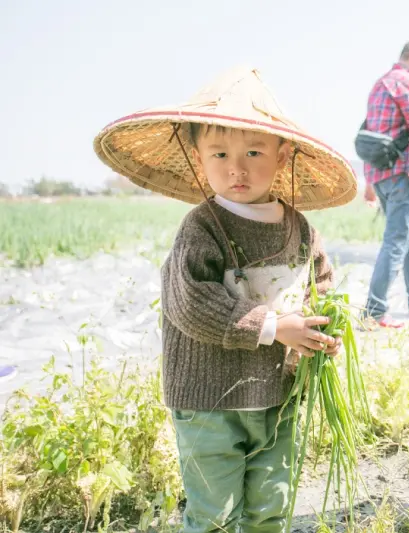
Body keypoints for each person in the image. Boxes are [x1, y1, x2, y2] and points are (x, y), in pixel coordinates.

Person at [93, 67, 358, 532]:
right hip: (209, 400)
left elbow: (323, 286)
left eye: (253, 152)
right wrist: (276, 328)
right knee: (214, 513)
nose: (236, 167)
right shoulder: (202, 228)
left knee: (271, 505)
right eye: (220, 153)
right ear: (199, 158)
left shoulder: (299, 228)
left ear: (282, 155)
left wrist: (322, 332)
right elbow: (191, 303)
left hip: (279, 398)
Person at [362, 37, 409, 328]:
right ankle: (374, 310)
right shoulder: (407, 83)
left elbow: (370, 137)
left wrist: (369, 183)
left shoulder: (380, 84)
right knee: (397, 241)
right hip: (402, 175)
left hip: (381, 176)